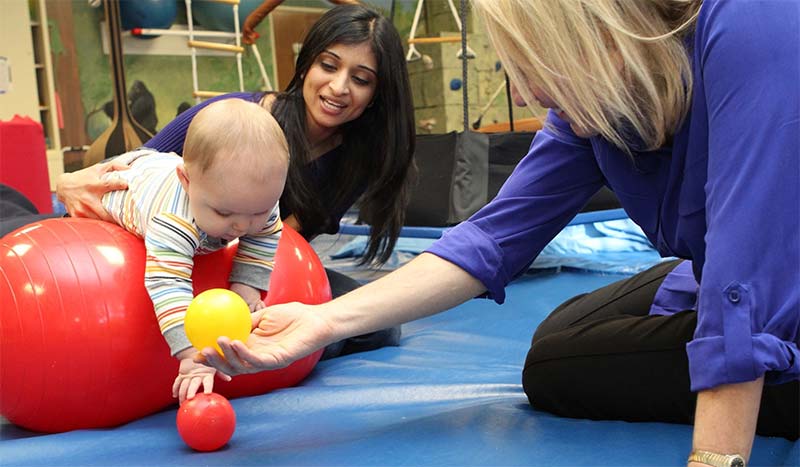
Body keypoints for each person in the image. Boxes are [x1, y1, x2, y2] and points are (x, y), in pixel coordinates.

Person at [197, 0, 800, 464]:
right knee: (561, 337)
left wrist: (715, 454)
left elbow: (744, 281)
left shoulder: (753, 28)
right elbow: (491, 239)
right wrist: (325, 320)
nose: (528, 93)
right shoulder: (591, 109)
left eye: (539, 64)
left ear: (601, 36)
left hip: (775, 276)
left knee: (562, 371)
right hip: (709, 269)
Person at [55, 4, 416, 360]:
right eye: (329, 65)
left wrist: (249, 290)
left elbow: (286, 243)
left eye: (360, 79)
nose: (338, 87)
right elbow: (136, 172)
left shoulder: (357, 160)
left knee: (376, 328)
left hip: (249, 267)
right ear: (307, 64)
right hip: (166, 252)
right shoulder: (234, 119)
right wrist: (68, 183)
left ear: (376, 94)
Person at [97, 98, 288, 403]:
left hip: (163, 168)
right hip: (126, 185)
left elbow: (266, 234)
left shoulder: (256, 200)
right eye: (225, 214)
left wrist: (246, 289)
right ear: (187, 182)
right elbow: (167, 284)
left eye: (257, 212)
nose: (241, 226)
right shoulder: (173, 220)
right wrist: (193, 355)